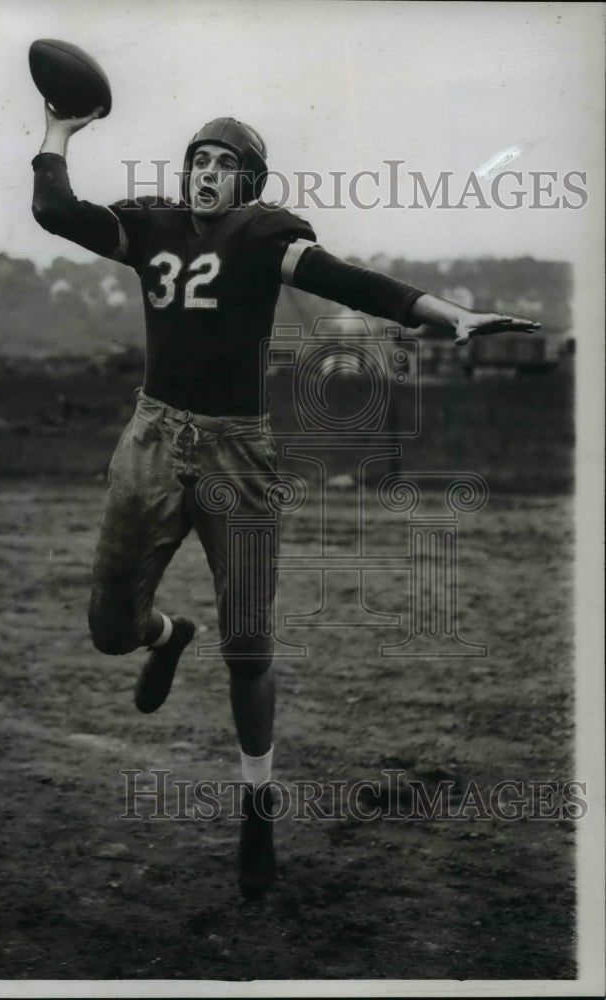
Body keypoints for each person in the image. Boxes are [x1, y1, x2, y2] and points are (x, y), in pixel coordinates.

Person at [31, 103, 538, 896]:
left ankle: (257, 805)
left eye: (222, 163)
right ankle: (168, 635)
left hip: (239, 452)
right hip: (153, 441)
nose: (204, 173)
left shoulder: (264, 235)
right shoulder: (151, 227)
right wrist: (61, 128)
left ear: (248, 182)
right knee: (108, 632)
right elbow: (54, 210)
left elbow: (345, 279)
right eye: (197, 159)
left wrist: (446, 313)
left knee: (250, 645)